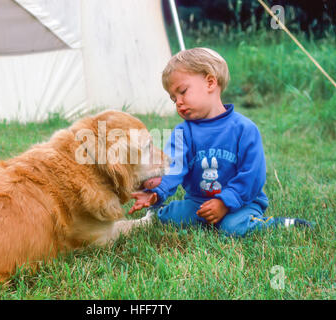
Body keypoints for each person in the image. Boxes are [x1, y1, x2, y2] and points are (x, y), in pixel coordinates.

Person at [129, 47, 312, 237]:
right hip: (199, 203)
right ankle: (158, 211)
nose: (179, 103)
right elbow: (173, 167)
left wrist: (225, 202)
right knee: (173, 218)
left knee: (232, 228)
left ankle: (277, 223)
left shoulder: (244, 129)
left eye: (182, 91)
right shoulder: (182, 132)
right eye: (173, 99)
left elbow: (252, 176)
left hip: (241, 203)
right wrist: (156, 192)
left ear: (210, 82)